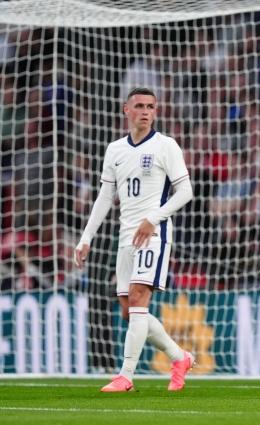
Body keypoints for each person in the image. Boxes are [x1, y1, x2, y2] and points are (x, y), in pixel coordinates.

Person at [74, 87, 195, 392]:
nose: (145, 111)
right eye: (139, 106)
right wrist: (86, 237)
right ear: (126, 110)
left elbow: (185, 192)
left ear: (156, 111)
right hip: (126, 236)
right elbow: (105, 196)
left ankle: (125, 376)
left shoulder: (166, 146)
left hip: (154, 233)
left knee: (139, 299)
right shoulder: (115, 150)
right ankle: (180, 357)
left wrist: (153, 218)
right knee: (130, 311)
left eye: (150, 107)